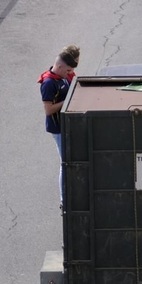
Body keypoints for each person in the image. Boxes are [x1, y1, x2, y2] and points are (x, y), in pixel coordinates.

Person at [40, 46, 81, 208]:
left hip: (67, 125)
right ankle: (65, 200)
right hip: (58, 128)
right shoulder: (49, 83)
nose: (70, 73)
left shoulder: (64, 76)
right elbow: (48, 110)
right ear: (60, 67)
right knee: (65, 163)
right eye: (68, 70)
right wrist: (68, 100)